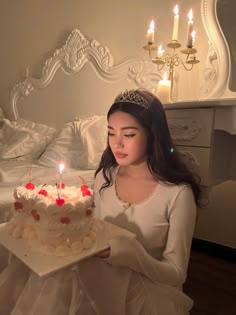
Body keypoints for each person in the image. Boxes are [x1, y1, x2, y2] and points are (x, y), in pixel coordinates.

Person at [0, 89, 200, 315]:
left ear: (153, 134)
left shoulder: (177, 194)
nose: (117, 144)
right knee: (56, 270)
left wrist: (136, 255)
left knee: (71, 275)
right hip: (97, 273)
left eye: (129, 134)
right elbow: (93, 233)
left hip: (148, 286)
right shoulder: (105, 177)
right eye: (111, 133)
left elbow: (176, 274)